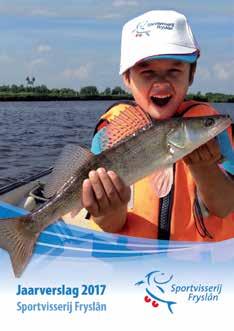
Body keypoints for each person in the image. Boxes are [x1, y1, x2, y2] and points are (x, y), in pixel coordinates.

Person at [80, 10, 234, 242]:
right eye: (147, 72)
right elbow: (111, 225)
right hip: (134, 262)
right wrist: (110, 209)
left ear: (191, 76)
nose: (161, 82)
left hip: (199, 262)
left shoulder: (215, 136)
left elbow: (225, 208)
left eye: (174, 70)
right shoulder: (108, 135)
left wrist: (206, 169)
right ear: (127, 78)